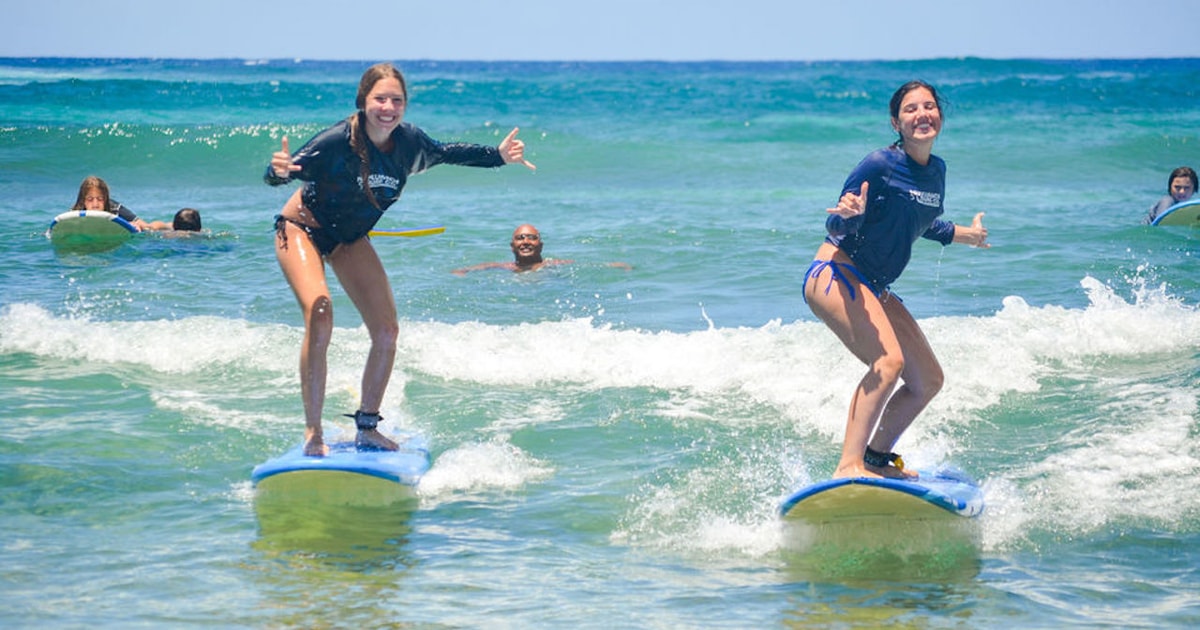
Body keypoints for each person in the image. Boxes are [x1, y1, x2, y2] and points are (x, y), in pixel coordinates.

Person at [265, 62, 535, 457]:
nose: (388, 107)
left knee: (387, 331)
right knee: (320, 309)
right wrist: (277, 173)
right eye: (380, 99)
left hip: (349, 237)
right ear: (363, 101)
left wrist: (497, 156)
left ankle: (368, 426)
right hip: (300, 228)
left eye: (397, 100)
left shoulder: (409, 143)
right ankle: (313, 432)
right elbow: (285, 172)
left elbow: (447, 152)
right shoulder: (336, 140)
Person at [802, 80, 989, 481]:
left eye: (929, 106)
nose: (922, 114)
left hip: (875, 285)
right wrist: (846, 215)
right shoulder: (879, 165)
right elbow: (836, 221)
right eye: (910, 109)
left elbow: (920, 222)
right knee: (888, 362)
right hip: (836, 271)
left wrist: (966, 235)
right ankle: (847, 467)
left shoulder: (936, 172)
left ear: (939, 114)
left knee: (928, 380)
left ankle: (874, 457)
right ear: (896, 123)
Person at [452, 224, 631, 275]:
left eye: (532, 237)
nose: (526, 241)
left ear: (541, 245)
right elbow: (484, 266)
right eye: (520, 238)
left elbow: (588, 265)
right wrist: (462, 271)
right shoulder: (507, 267)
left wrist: (614, 265)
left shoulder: (551, 264)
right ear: (512, 246)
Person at [71, 175, 152, 231]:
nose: (95, 204)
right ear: (83, 200)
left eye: (100, 199)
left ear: (105, 199)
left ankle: (164, 226)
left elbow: (141, 225)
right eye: (90, 199)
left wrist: (132, 225)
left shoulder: (114, 208)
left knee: (149, 227)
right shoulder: (76, 211)